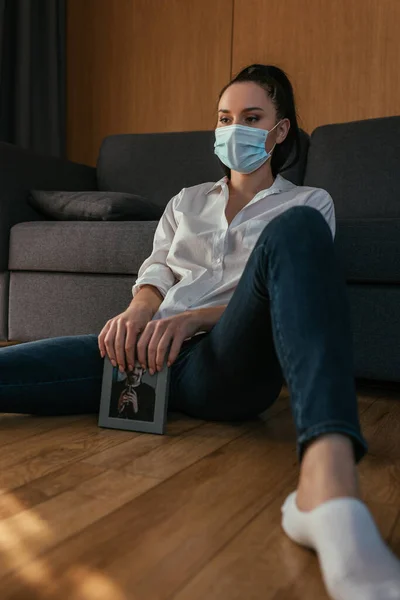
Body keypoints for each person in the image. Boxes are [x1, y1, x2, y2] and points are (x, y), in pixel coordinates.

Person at [1, 64, 399, 599]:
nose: (235, 129)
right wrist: (140, 311)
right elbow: (158, 270)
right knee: (19, 367)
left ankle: (327, 491)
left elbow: (282, 296)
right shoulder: (185, 201)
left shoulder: (308, 203)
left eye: (252, 117)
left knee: (297, 233)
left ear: (280, 132)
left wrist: (193, 319)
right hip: (150, 354)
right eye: (225, 118)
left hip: (226, 362)